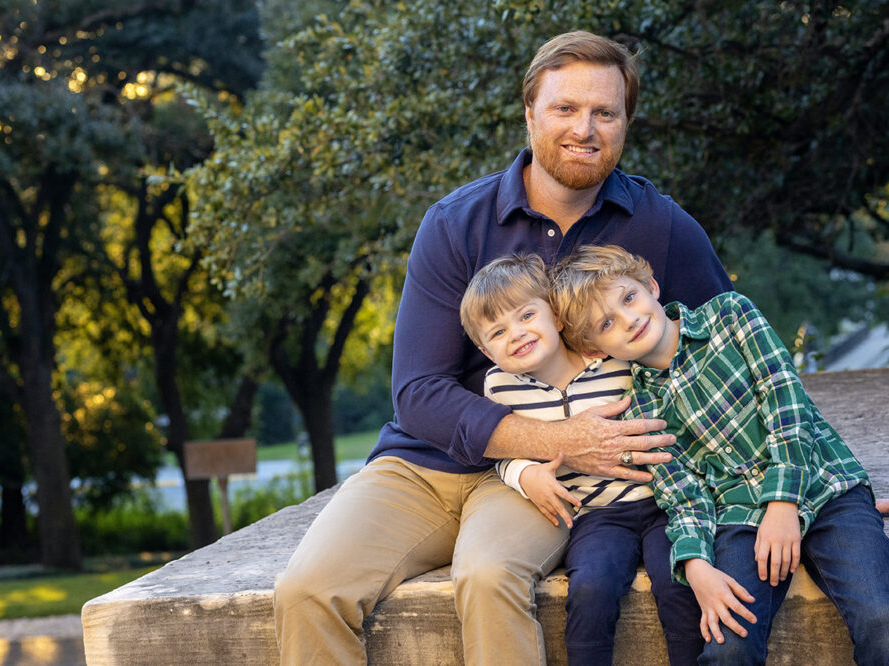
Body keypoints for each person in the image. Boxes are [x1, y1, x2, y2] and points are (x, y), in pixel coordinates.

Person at [273, 31, 734, 664]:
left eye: (605, 112)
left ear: (626, 123)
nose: (585, 129)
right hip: (424, 465)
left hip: (547, 483)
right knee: (305, 591)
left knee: (488, 577)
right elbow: (418, 393)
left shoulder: (659, 226)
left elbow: (730, 350)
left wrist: (779, 479)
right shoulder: (455, 224)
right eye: (565, 108)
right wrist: (560, 437)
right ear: (529, 113)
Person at [550, 244, 889, 665]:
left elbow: (787, 404)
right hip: (739, 517)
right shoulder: (639, 409)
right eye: (606, 323)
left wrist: (783, 503)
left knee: (883, 622)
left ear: (651, 286)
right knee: (729, 647)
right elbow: (683, 495)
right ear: (595, 350)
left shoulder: (730, 315)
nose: (629, 319)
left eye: (629, 297)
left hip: (824, 488)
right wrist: (695, 566)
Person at [458, 253, 703, 665]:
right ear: (485, 350)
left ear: (556, 317)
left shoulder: (613, 359)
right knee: (590, 587)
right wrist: (525, 474)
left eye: (526, 316)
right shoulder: (500, 387)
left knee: (676, 580)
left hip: (661, 500)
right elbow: (503, 451)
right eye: (498, 332)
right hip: (596, 515)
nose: (517, 334)